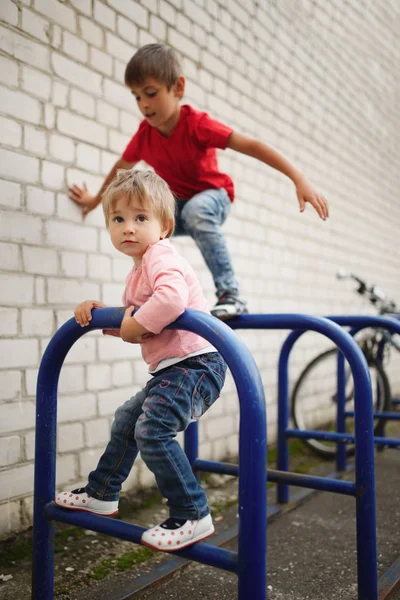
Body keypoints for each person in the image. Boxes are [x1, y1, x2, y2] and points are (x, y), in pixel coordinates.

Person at [69, 43, 329, 319]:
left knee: (196, 212)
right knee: (145, 226)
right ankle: (155, 294)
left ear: (177, 88)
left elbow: (251, 145)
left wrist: (298, 178)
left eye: (151, 93)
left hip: (213, 196)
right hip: (178, 209)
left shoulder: (197, 125)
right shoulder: (145, 136)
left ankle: (231, 294)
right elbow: (120, 170)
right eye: (136, 97)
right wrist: (95, 201)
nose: (143, 104)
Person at [56, 169, 227, 551]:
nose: (128, 228)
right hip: (173, 370)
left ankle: (192, 512)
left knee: (152, 431)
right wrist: (104, 316)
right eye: (118, 219)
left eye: (140, 218)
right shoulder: (138, 271)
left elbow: (170, 301)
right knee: (127, 422)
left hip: (197, 365)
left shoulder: (160, 255)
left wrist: (132, 325)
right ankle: (102, 492)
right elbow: (140, 322)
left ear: (164, 226)